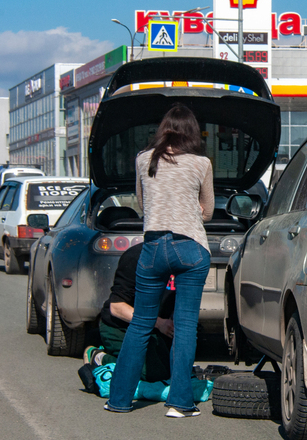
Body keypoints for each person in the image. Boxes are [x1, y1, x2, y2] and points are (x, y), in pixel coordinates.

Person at [105, 103, 214, 418]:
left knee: (140, 323)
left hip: (153, 247)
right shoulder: (201, 163)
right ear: (192, 133)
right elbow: (206, 211)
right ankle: (180, 403)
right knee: (184, 326)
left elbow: (142, 202)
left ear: (162, 130)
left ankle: (120, 400)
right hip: (191, 246)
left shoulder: (143, 159)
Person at [83, 243, 175, 384]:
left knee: (169, 372)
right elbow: (116, 307)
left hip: (154, 329)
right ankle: (98, 355)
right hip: (120, 326)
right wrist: (159, 323)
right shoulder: (136, 256)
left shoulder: (184, 260)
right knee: (150, 374)